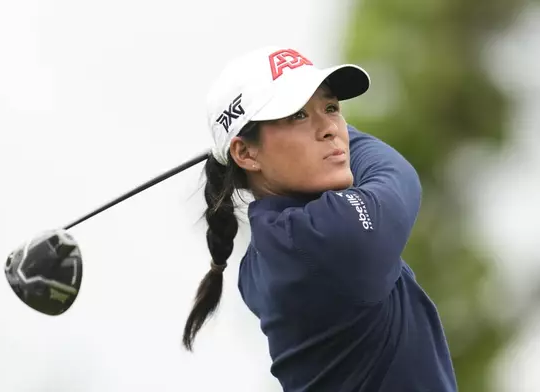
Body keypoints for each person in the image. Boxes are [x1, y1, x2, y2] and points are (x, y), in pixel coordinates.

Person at [182, 46, 458, 392]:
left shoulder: (261, 256)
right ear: (245, 153)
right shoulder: (328, 238)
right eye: (297, 115)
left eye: (332, 108)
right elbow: (394, 172)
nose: (329, 128)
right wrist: (340, 136)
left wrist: (325, 132)